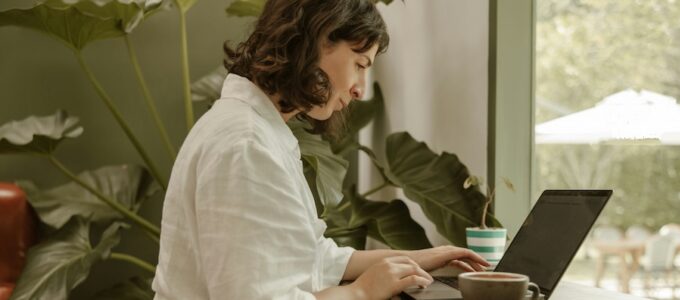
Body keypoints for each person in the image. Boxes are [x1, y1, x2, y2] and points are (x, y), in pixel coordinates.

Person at [152, 1, 488, 299]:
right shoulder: (247, 144)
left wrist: (416, 258)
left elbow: (310, 257)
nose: (360, 90)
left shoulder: (253, 129)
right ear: (319, 37)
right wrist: (361, 292)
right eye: (360, 64)